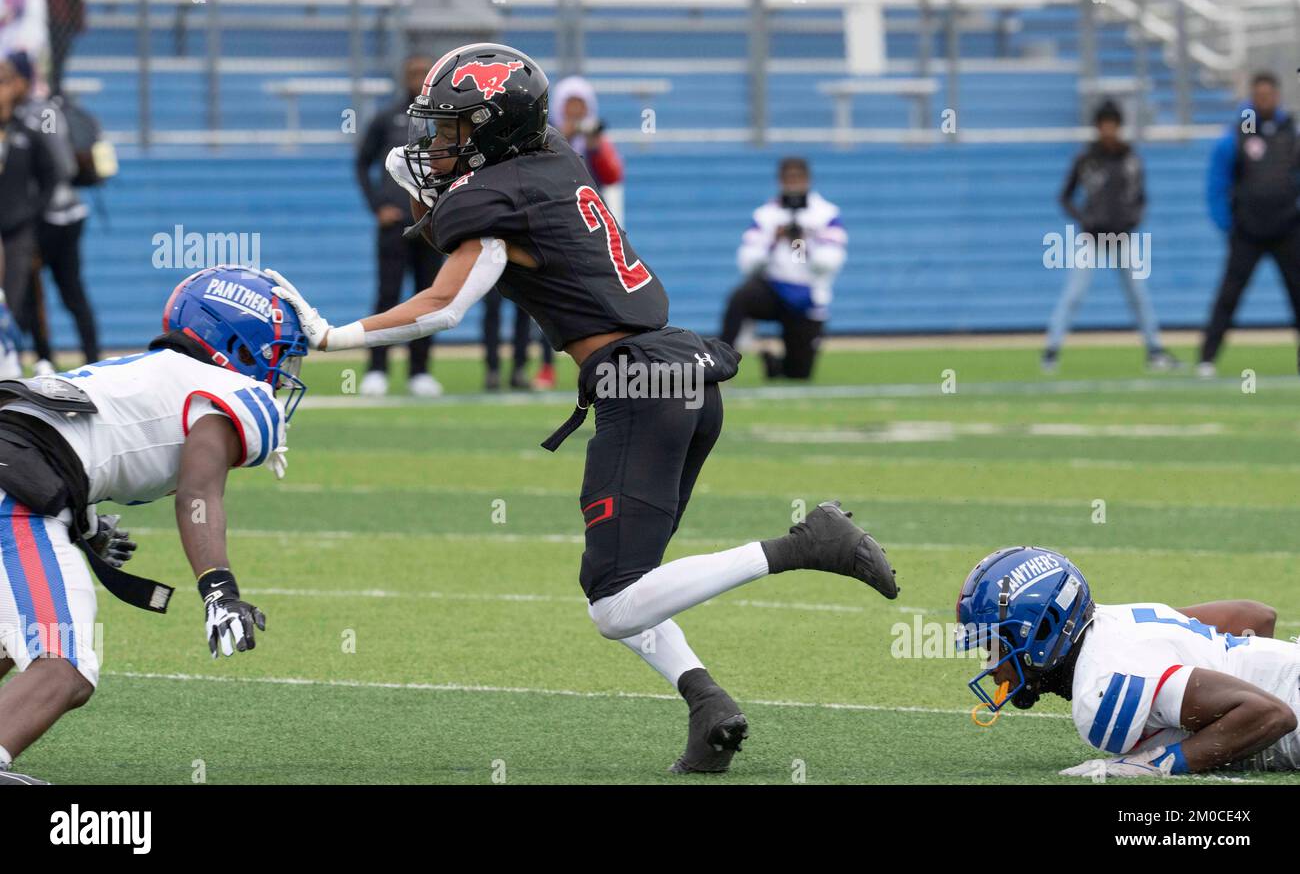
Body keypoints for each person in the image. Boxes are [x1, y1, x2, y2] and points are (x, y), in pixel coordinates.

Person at [272, 43, 900, 775]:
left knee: (614, 602)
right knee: (624, 577)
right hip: (681, 375)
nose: (436, 146)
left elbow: (444, 304)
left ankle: (805, 544)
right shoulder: (550, 158)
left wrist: (329, 334)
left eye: (453, 130)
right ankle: (707, 703)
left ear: (495, 129)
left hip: (640, 388)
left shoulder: (492, 201)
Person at [0, 265, 307, 784]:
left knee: (11, 638)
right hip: (17, 491)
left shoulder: (143, 371)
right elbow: (198, 492)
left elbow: (64, 435)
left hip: (20, 467)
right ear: (240, 340)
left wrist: (86, 521)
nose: (282, 369)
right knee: (64, 664)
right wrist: (218, 589)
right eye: (280, 352)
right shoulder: (228, 389)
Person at [955, 546, 1300, 777]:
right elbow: (1254, 616)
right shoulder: (1111, 620)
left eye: (995, 645)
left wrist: (1157, 764)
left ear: (1041, 631)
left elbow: (1271, 714)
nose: (990, 662)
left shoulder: (1100, 690)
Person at [1044, 101, 1177, 373]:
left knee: (1138, 295)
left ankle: (1155, 350)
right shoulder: (1086, 159)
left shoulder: (1130, 159)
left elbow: (1140, 197)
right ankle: (1051, 350)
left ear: (1118, 126)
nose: (1107, 130)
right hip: (1091, 238)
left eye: (1112, 124)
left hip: (1121, 237)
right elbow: (1065, 197)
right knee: (1074, 294)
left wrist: (1133, 219)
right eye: (1103, 124)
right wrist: (1084, 218)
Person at [1197, 72, 1300, 377]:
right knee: (1229, 295)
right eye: (1259, 95)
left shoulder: (1290, 132)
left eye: (1269, 94)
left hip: (1287, 229)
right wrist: (1227, 223)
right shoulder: (1238, 134)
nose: (1264, 100)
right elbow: (1217, 181)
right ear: (1252, 99)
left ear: (1277, 96)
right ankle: (1207, 358)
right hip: (1247, 232)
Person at [354, 54, 444, 397]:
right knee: (387, 295)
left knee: (430, 297)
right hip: (394, 227)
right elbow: (362, 164)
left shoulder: (445, 118)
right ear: (404, 76)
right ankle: (377, 369)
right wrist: (378, 206)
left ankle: (419, 371)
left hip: (431, 226)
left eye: (424, 72)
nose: (418, 77)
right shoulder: (387, 117)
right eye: (413, 72)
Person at [719, 157, 846, 380]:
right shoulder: (766, 214)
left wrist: (804, 243)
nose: (793, 183)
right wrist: (773, 240)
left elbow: (830, 263)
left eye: (798, 178)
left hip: (809, 297)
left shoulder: (827, 214)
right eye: (788, 178)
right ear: (780, 180)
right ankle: (720, 362)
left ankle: (774, 364)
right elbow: (747, 262)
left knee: (798, 374)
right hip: (774, 290)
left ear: (808, 179)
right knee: (740, 298)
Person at [9, 49, 97, 369]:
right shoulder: (23, 111)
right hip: (46, 216)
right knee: (40, 294)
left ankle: (84, 357)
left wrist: (32, 202)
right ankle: (44, 357)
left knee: (63, 292)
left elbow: (62, 165)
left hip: (56, 218)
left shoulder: (41, 112)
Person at [0, 52, 56, 376]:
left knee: (14, 298)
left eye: (4, 83)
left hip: (17, 230)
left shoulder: (26, 130)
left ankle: (13, 364)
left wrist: (30, 211)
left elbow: (50, 175)